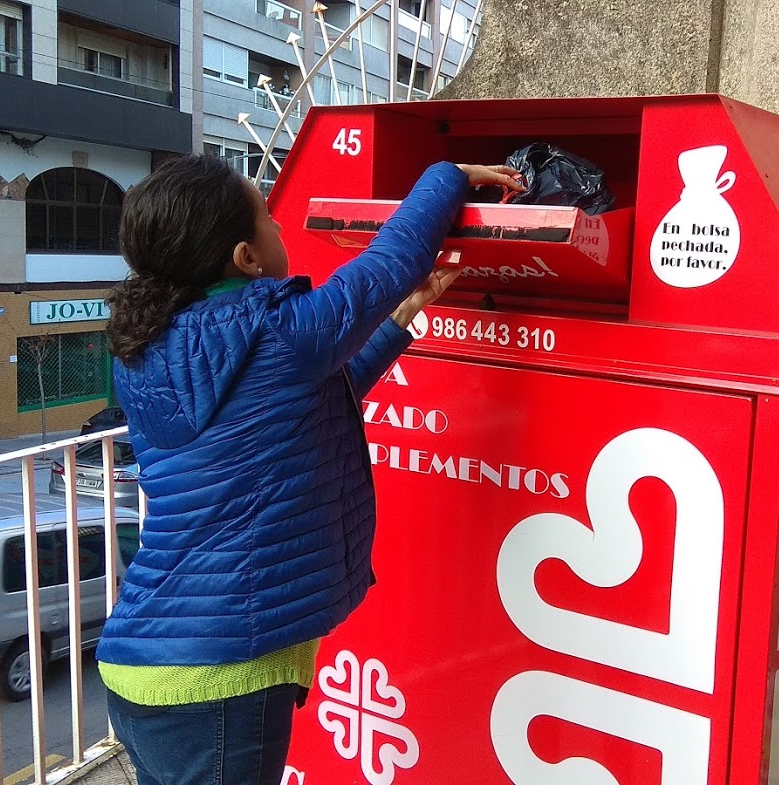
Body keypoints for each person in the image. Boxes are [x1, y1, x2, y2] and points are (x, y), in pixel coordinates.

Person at [96, 154, 522, 785]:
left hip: (141, 665)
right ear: (245, 259)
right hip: (219, 682)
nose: (280, 228)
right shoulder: (280, 334)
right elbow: (392, 261)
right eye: (268, 218)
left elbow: (309, 395)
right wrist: (446, 176)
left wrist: (402, 318)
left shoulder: (148, 353)